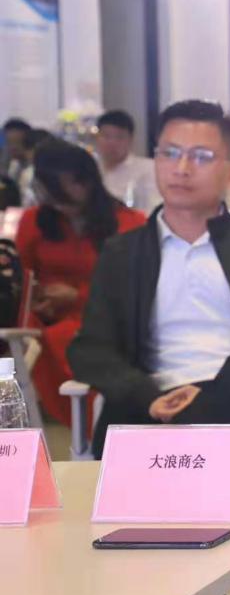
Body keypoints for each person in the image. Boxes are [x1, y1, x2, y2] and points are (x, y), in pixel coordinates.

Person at [68, 100, 230, 460]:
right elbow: (91, 349)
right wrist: (146, 395)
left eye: (201, 157)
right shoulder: (123, 252)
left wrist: (212, 394)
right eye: (170, 153)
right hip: (150, 404)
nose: (181, 168)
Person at [17, 139, 146, 425]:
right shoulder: (34, 220)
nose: (60, 203)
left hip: (104, 315)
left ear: (88, 181)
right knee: (36, 334)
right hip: (45, 318)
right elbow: (24, 278)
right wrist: (37, 299)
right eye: (51, 194)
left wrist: (77, 296)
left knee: (74, 339)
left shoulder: (129, 222)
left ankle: (93, 424)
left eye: (66, 191)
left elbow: (134, 287)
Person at [94, 109, 160, 214]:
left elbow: (152, 209)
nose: (112, 143)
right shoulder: (90, 168)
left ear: (131, 139)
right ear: (97, 138)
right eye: (106, 136)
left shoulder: (148, 169)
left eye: (119, 137)